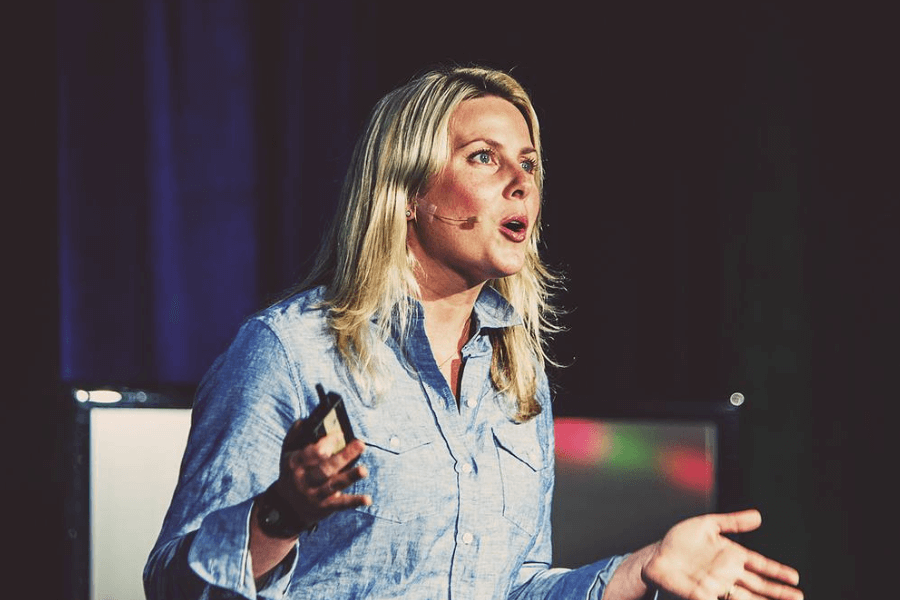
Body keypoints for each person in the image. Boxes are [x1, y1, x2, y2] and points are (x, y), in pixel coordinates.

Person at [144, 66, 803, 600]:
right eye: (484, 158)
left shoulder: (516, 375)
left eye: (529, 163)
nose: (520, 181)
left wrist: (641, 569)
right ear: (407, 192)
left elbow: (511, 586)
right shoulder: (290, 351)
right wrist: (281, 513)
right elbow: (175, 586)